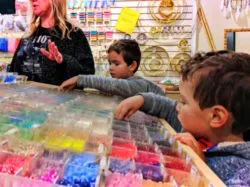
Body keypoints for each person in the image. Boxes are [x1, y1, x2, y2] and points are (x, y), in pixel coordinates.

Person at [114, 50, 250, 186]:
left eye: (184, 102)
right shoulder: (202, 127)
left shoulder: (243, 173)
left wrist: (201, 167)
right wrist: (142, 99)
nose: (178, 106)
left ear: (216, 116)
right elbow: (168, 108)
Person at [7, 0, 95, 85]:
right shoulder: (28, 35)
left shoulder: (73, 34)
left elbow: (88, 73)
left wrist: (63, 59)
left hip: (60, 98)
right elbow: (13, 70)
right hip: (24, 98)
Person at [58, 39, 165, 98]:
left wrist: (79, 79)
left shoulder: (139, 84)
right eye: (110, 63)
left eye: (116, 64)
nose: (111, 68)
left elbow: (115, 86)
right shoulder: (121, 83)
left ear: (132, 65)